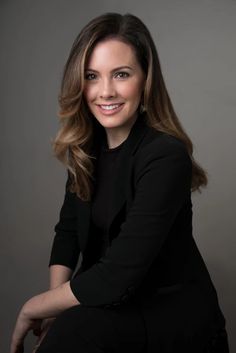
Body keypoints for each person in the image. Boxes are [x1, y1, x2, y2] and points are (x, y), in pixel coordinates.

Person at [10, 12, 229, 353]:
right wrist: (54, 311)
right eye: (92, 76)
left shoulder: (165, 156)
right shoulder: (86, 150)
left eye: (121, 74)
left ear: (145, 79)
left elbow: (118, 274)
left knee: (70, 337)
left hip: (170, 320)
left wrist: (33, 308)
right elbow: (67, 233)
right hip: (111, 307)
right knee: (65, 332)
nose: (105, 91)